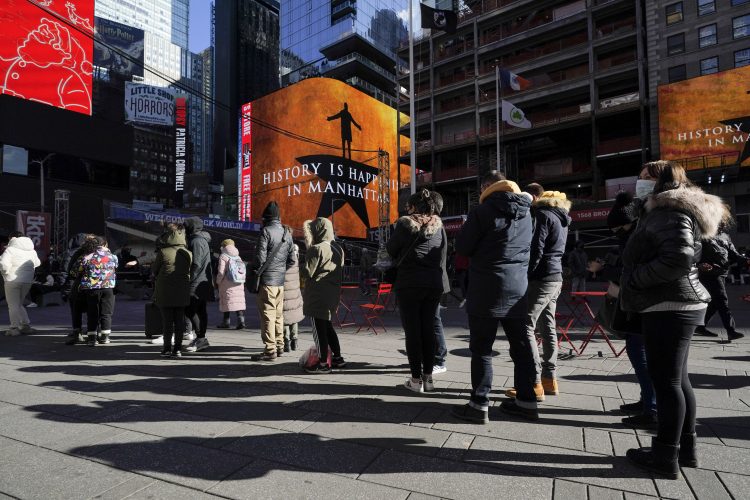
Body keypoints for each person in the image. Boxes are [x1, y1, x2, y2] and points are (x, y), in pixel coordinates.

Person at [620, 160, 730, 479]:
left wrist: (637, 278)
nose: (639, 183)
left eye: (645, 178)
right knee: (677, 380)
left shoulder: (667, 210)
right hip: (676, 301)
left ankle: (665, 455)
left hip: (668, 303)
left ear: (661, 181)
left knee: (666, 382)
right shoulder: (666, 209)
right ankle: (685, 450)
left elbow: (678, 258)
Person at [452, 171, 534, 423]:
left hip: (486, 288)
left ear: (488, 187)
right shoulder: (527, 213)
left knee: (482, 349)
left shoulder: (482, 211)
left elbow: (463, 247)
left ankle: (479, 404)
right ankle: (527, 402)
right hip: (518, 288)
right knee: (521, 347)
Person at [589, 190, 657, 429]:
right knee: (638, 352)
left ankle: (652, 408)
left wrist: (603, 270)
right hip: (636, 301)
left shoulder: (639, 237)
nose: (615, 232)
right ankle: (646, 401)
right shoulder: (633, 235)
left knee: (640, 354)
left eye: (619, 228)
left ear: (630, 222)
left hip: (643, 303)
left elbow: (632, 271)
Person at [506, 189, 571, 402]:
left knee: (526, 324)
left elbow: (537, 248)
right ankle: (549, 379)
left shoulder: (543, 215)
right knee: (548, 326)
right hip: (556, 277)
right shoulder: (563, 218)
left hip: (541, 278)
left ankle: (533, 382)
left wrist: (527, 274)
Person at [300, 217, 346, 373]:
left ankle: (322, 364)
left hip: (317, 296)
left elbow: (307, 272)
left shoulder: (316, 249)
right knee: (328, 327)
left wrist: (301, 263)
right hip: (332, 295)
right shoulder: (338, 249)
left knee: (319, 332)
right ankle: (338, 358)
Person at [251, 201, 294, 361]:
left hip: (267, 281)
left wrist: (255, 270)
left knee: (268, 315)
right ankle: (280, 345)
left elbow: (259, 259)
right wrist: (280, 271)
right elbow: (292, 260)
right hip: (280, 282)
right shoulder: (286, 233)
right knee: (278, 315)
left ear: (266, 218)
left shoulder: (266, 232)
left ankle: (270, 350)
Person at [695, 230, 745, 341]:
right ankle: (731, 331)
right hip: (709, 273)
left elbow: (733, 253)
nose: (723, 223)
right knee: (722, 300)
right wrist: (699, 265)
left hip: (722, 272)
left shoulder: (725, 236)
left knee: (715, 303)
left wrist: (745, 261)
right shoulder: (703, 233)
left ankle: (700, 326)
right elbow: (694, 253)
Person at [152, 224, 192, 357]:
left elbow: (154, 270)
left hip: (165, 291)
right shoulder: (188, 253)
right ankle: (178, 349)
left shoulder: (163, 252)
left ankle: (167, 348)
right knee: (179, 322)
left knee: (167, 322)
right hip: (182, 291)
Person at [73, 237, 118, 346]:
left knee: (92, 313)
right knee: (106, 312)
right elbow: (115, 267)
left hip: (92, 288)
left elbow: (76, 271)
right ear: (104, 244)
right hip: (108, 287)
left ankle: (92, 339)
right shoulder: (113, 257)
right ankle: (105, 337)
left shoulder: (87, 257)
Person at [0, 232, 41, 336]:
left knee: (13, 305)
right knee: (18, 304)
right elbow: (37, 263)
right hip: (27, 281)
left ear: (12, 238)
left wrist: (5, 273)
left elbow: (3, 264)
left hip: (12, 280)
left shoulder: (10, 250)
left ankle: (14, 328)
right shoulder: (32, 251)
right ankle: (25, 325)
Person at [183, 217, 213, 352]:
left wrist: (189, 278)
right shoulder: (201, 239)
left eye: (186, 227)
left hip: (196, 281)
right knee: (200, 310)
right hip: (203, 281)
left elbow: (196, 263)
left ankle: (201, 338)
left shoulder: (196, 241)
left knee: (190, 309)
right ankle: (201, 338)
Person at [64, 234, 97, 345]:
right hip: (96, 286)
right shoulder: (101, 255)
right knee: (94, 310)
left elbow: (71, 271)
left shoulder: (79, 254)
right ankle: (94, 334)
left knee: (76, 310)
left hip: (79, 286)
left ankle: (77, 333)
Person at [430, 190, 450, 375]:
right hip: (437, 279)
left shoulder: (435, 225)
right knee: (434, 319)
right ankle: (436, 357)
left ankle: (440, 358)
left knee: (434, 320)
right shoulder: (439, 225)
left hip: (435, 280)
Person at [215, 239, 246, 330]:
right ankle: (241, 321)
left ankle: (226, 322)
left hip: (226, 283)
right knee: (238, 302)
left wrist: (218, 281)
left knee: (227, 301)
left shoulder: (223, 256)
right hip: (238, 282)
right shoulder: (238, 256)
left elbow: (221, 272)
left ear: (224, 246)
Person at [283, 242, 304, 352]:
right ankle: (294, 340)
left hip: (284, 292)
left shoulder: (283, 260)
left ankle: (286, 341)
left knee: (285, 316)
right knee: (294, 317)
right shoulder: (296, 261)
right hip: (295, 292)